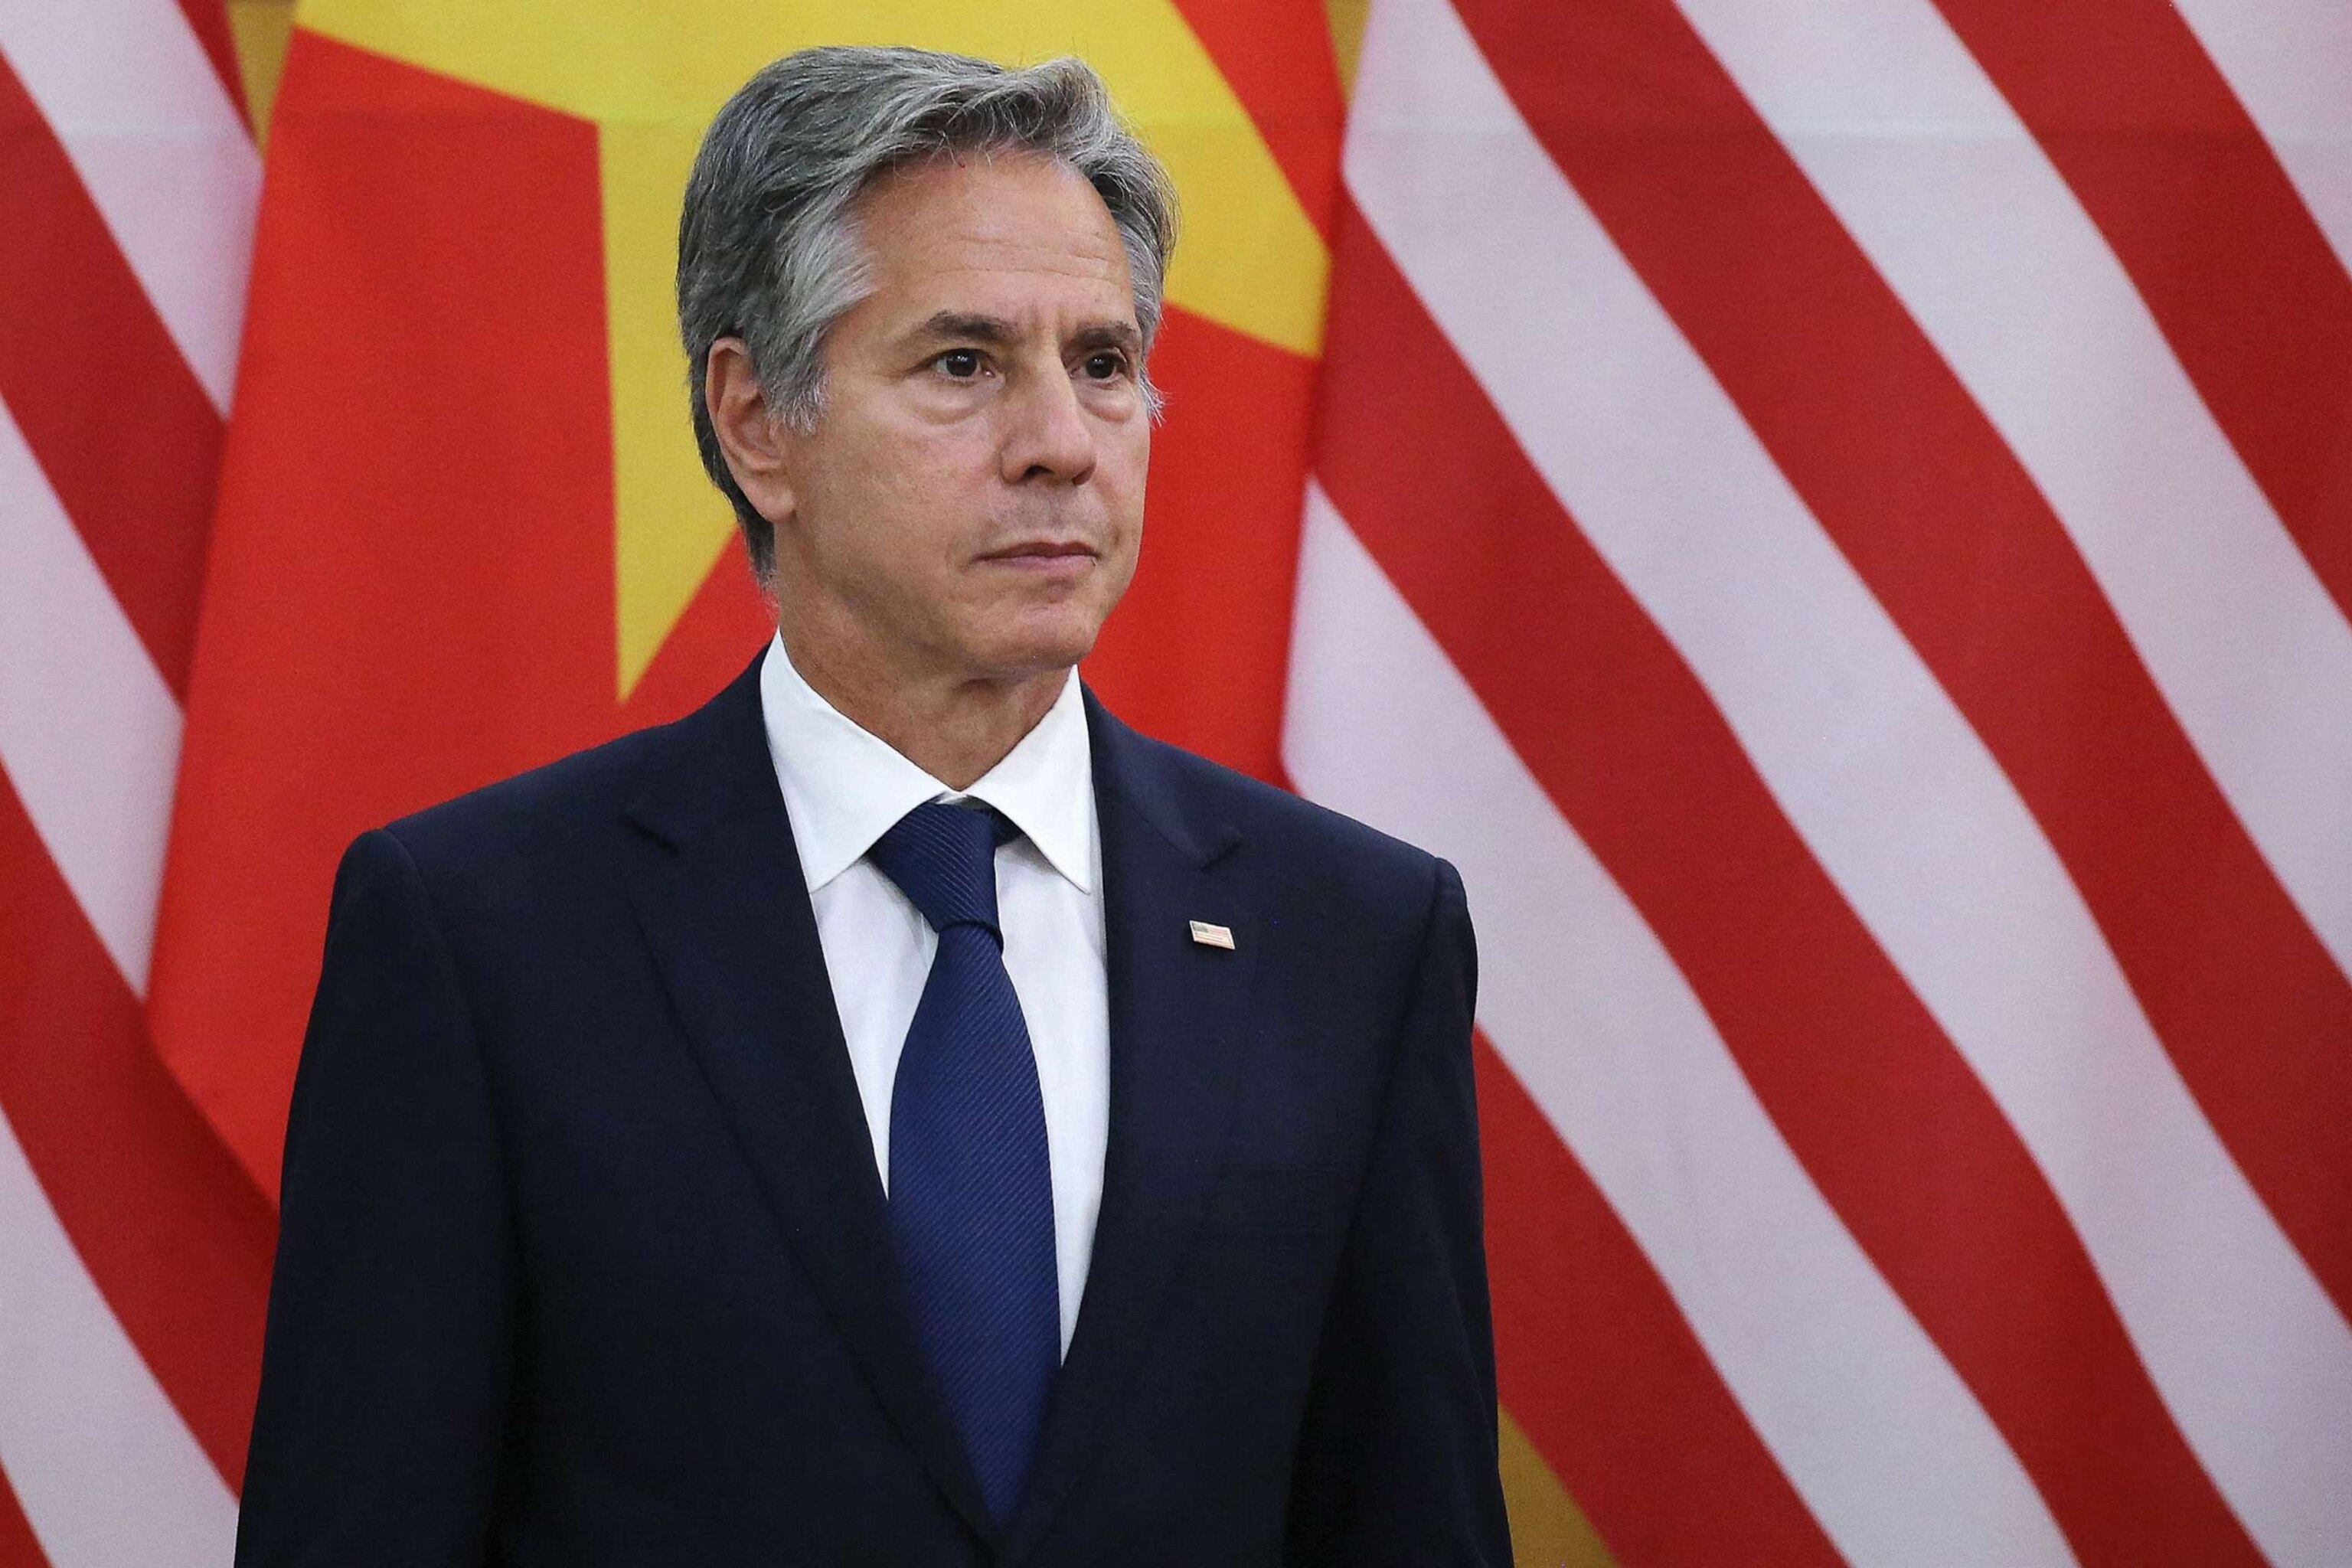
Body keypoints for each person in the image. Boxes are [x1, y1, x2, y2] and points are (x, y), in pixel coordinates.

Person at [234, 45, 1511, 1566]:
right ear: (758, 419)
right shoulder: (479, 935)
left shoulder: (1355, 936)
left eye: (1102, 362)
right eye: (963, 364)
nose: (1062, 441)